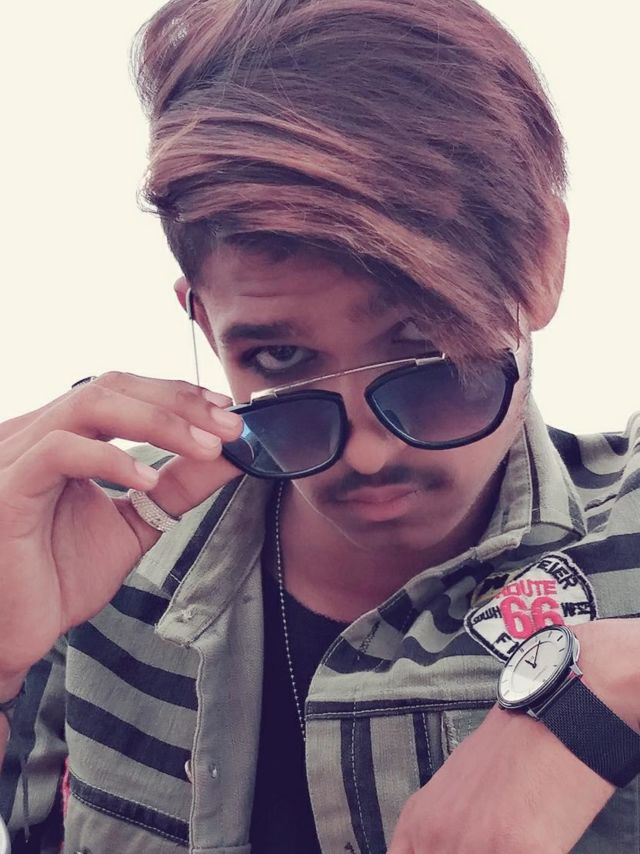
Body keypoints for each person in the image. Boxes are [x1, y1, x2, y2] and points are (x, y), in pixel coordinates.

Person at [1, 0, 639, 851]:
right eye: (279, 360)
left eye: (426, 352)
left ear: (543, 263)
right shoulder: (87, 536)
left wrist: (604, 689)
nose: (368, 452)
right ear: (203, 320)